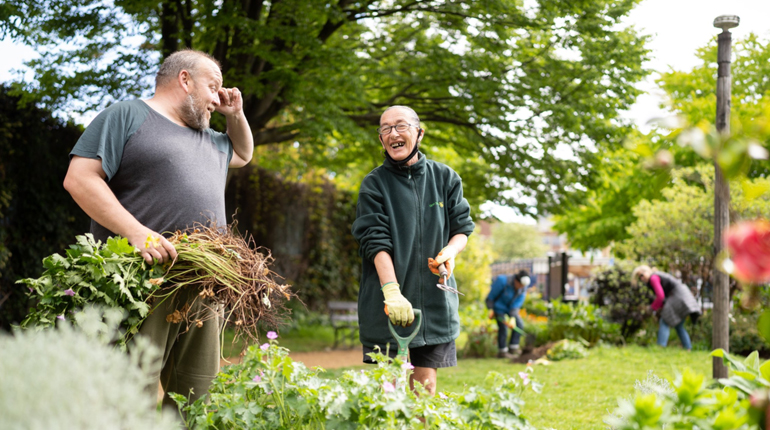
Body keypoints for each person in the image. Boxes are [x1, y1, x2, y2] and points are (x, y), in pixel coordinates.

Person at [63, 49, 254, 406]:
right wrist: (137, 233)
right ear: (185, 80)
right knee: (129, 396)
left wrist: (237, 115)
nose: (217, 97)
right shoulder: (127, 115)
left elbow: (244, 154)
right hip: (143, 281)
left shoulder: (213, 139)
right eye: (213, 87)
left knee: (198, 398)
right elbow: (79, 179)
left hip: (203, 287)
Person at [351, 105, 475, 395]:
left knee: (425, 389)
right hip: (388, 301)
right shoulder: (375, 184)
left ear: (419, 133)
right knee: (389, 390)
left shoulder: (445, 178)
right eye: (385, 129)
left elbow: (462, 228)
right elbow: (374, 241)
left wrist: (450, 252)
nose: (393, 133)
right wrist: (392, 292)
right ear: (381, 139)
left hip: (434, 301)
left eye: (400, 126)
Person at [632, 265, 701, 351]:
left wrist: (651, 308)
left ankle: (660, 347)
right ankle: (688, 348)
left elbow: (660, 296)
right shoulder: (656, 276)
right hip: (683, 294)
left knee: (665, 320)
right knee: (678, 325)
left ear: (648, 271)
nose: (642, 278)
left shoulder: (653, 278)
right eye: (639, 277)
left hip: (678, 295)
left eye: (642, 275)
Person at [485, 270, 531, 358]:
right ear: (516, 281)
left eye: (523, 286)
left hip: (511, 309)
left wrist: (513, 318)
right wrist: (490, 309)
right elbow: (491, 296)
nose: (521, 287)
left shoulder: (523, 288)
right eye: (520, 285)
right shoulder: (503, 281)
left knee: (519, 324)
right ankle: (502, 352)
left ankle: (513, 348)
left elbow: (517, 303)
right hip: (499, 308)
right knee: (503, 327)